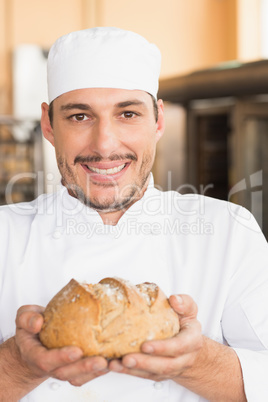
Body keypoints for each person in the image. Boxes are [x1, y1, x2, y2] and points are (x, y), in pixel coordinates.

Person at [0, 27, 267, 402]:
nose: (105, 144)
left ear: (157, 121)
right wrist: (17, 364)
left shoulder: (230, 233)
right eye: (79, 116)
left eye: (127, 113)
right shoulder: (3, 236)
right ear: (48, 124)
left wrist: (195, 361)